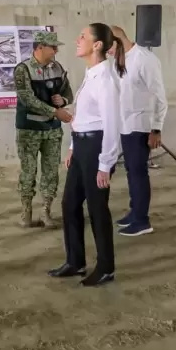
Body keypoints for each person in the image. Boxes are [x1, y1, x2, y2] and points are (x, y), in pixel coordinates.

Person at [48, 23, 125, 287]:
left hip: (97, 148)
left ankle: (106, 267)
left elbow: (112, 123)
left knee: (97, 209)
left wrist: (105, 164)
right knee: (69, 204)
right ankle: (76, 261)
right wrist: (72, 147)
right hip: (82, 146)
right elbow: (82, 117)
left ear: (97, 45)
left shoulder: (106, 78)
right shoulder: (91, 73)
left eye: (83, 36)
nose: (77, 39)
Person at [13, 31, 74, 229]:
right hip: (29, 130)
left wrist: (63, 101)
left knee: (51, 172)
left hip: (52, 131)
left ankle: (46, 211)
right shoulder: (23, 69)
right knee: (28, 172)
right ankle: (26, 211)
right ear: (39, 47)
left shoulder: (57, 67)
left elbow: (68, 92)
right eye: (52, 47)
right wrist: (55, 112)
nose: (56, 50)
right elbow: (27, 100)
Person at [110, 25, 167, 237]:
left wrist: (156, 129)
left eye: (108, 47)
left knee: (138, 173)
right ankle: (135, 212)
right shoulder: (120, 61)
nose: (107, 52)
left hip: (141, 126)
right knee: (131, 173)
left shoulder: (145, 59)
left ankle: (142, 220)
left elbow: (159, 96)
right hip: (126, 125)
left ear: (117, 40)